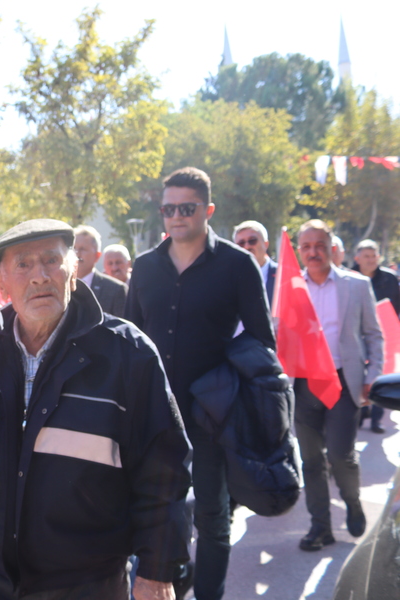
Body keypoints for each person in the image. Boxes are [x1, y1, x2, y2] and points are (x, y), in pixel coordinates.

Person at [0, 219, 191, 600]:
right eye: (23, 265)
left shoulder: (127, 352)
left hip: (88, 581)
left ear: (74, 269)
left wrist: (158, 571)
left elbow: (165, 469)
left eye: (51, 260)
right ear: (1, 282)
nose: (39, 277)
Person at [126, 167, 275, 600]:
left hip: (213, 414)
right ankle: (163, 581)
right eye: (168, 208)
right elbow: (131, 335)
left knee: (211, 518)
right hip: (152, 413)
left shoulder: (237, 265)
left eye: (186, 208)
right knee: (153, 510)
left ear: (207, 210)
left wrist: (223, 381)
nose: (176, 216)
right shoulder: (147, 267)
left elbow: (261, 339)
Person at [294, 220, 383, 551]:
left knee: (341, 456)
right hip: (303, 386)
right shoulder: (290, 288)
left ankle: (353, 502)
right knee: (311, 460)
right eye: (306, 246)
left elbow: (374, 335)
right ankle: (320, 527)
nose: (313, 252)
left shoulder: (356, 285)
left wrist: (372, 375)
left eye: (319, 245)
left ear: (331, 247)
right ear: (299, 251)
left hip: (344, 382)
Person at [353, 239, 399, 434]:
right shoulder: (349, 278)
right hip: (356, 334)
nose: (371, 260)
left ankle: (376, 418)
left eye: (374, 256)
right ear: (357, 258)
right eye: (366, 256)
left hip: (384, 334)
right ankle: (361, 413)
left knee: (381, 373)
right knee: (358, 374)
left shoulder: (389, 279)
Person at [72, 225, 128, 317]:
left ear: (97, 255)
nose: (77, 253)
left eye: (82, 249)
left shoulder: (115, 289)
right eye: (74, 248)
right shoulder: (60, 285)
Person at [233, 220, 277, 305]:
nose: (247, 246)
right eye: (241, 243)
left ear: (266, 244)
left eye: (252, 241)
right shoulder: (230, 279)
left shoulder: (282, 275)